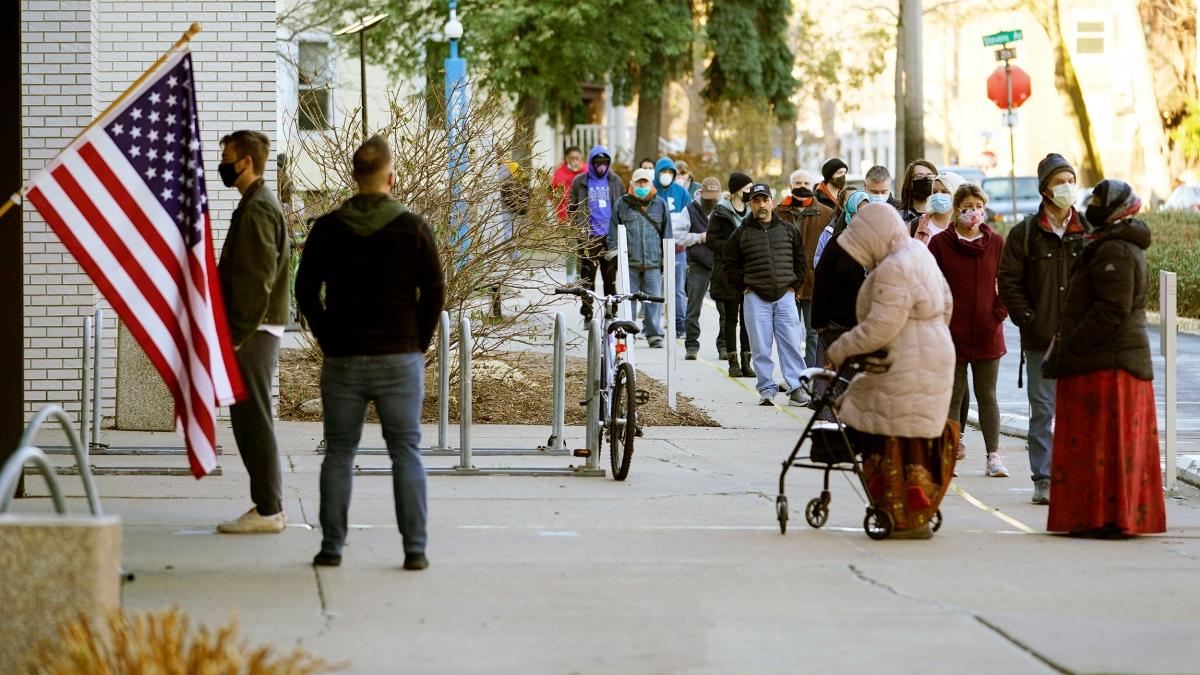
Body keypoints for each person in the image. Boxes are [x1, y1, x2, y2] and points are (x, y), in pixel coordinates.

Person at [296, 135, 444, 570]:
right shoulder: (414, 227)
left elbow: (305, 290)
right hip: (400, 357)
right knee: (406, 451)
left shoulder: (327, 227)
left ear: (354, 176)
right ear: (391, 178)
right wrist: (419, 341)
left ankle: (331, 547)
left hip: (344, 358)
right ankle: (414, 550)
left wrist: (327, 337)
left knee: (340, 452)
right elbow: (434, 290)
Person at [826, 203, 958, 540]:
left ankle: (898, 510)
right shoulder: (918, 251)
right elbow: (946, 302)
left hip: (905, 358)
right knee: (911, 432)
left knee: (869, 411)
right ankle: (918, 509)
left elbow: (880, 328)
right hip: (935, 351)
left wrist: (839, 350)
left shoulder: (893, 268)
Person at [1044, 179, 1165, 537]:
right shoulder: (1108, 243)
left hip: (1109, 365)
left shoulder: (1116, 250)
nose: (1092, 205)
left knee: (1106, 446)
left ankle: (1106, 517)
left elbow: (1111, 309)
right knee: (1103, 447)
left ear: (1116, 208)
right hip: (1103, 362)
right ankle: (1099, 516)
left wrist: (1072, 346)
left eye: (1099, 200)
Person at [998, 153, 1086, 505]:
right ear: (1045, 190)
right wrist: (1027, 318)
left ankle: (1075, 474)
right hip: (1040, 339)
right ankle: (1044, 478)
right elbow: (1008, 281)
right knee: (1043, 410)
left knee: (1079, 411)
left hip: (1081, 340)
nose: (1067, 187)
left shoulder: (1086, 231)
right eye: (1059, 181)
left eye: (1070, 180)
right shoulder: (1026, 234)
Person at [215, 130, 290, 534]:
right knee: (246, 420)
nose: (222, 164)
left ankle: (268, 509)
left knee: (253, 420)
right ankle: (266, 505)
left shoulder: (259, 208)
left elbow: (256, 278)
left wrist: (237, 334)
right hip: (253, 329)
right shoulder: (255, 203)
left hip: (253, 331)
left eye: (227, 156)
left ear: (246, 161)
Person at [928, 183, 1010, 478]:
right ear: (957, 210)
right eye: (968, 207)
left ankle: (993, 456)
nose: (974, 212)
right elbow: (931, 285)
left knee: (987, 395)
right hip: (952, 333)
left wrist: (998, 312)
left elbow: (1007, 282)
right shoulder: (940, 244)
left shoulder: (997, 243)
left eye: (979, 206)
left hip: (988, 332)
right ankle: (948, 455)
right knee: (954, 395)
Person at [723, 183, 809, 406]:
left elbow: (801, 260)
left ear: (772, 201)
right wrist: (744, 286)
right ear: (750, 204)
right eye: (756, 201)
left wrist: (795, 285)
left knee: (791, 342)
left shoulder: (789, 230)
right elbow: (729, 265)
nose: (761, 205)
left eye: (765, 200)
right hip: (755, 297)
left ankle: (797, 388)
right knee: (760, 346)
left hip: (785, 295)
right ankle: (766, 388)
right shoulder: (740, 233)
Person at [808, 190, 869, 421]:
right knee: (829, 373)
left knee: (853, 375)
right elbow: (822, 283)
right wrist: (819, 321)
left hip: (859, 324)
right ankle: (827, 419)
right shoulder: (837, 243)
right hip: (834, 322)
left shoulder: (875, 245)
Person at [608, 167, 671, 347]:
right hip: (630, 262)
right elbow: (613, 231)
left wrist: (666, 259)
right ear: (632, 184)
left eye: (645, 182)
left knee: (653, 301)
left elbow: (667, 234)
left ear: (650, 183)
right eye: (639, 182)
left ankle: (654, 335)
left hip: (653, 262)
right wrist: (614, 255)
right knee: (629, 300)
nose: (642, 185)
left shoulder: (661, 204)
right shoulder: (622, 203)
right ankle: (630, 333)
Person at [776, 169, 834, 360]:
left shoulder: (826, 214)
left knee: (813, 332)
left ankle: (809, 375)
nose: (802, 187)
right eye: (798, 184)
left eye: (806, 184)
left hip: (813, 282)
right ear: (791, 186)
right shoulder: (777, 213)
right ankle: (792, 376)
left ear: (813, 186)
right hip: (786, 282)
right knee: (788, 333)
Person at [706, 172, 755, 377]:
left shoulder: (751, 213)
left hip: (748, 272)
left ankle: (747, 361)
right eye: (747, 189)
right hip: (727, 272)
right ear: (737, 190)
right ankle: (732, 361)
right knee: (730, 318)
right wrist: (734, 248)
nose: (750, 193)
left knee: (748, 320)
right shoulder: (720, 212)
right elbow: (711, 241)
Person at [568, 145, 624, 324]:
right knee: (587, 278)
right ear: (591, 163)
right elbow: (572, 206)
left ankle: (611, 311)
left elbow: (622, 204)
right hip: (588, 238)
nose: (602, 166)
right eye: (598, 162)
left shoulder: (615, 181)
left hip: (610, 237)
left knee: (610, 278)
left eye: (605, 162)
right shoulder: (580, 181)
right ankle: (587, 313)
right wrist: (579, 226)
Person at [655, 156, 695, 335]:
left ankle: (680, 323)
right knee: (654, 287)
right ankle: (653, 325)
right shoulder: (651, 191)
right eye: (662, 172)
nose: (666, 175)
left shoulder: (682, 193)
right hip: (654, 249)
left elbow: (690, 218)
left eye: (669, 172)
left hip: (678, 247)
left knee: (678, 288)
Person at [683, 177, 722, 360]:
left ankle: (724, 346)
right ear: (702, 193)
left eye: (714, 196)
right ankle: (691, 345)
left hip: (721, 264)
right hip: (698, 264)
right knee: (693, 308)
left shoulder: (723, 210)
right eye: (708, 196)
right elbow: (677, 236)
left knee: (725, 309)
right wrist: (699, 237)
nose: (711, 200)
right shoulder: (689, 210)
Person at [551, 146, 587, 282]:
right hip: (566, 216)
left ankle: (579, 275)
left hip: (584, 216)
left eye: (577, 158)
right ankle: (569, 278)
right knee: (572, 247)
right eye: (572, 158)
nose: (575, 160)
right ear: (566, 159)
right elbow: (551, 194)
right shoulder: (559, 173)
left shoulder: (587, 171)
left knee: (582, 247)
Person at [911, 172, 964, 243]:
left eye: (944, 192)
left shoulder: (966, 227)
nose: (938, 195)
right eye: (935, 192)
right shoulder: (916, 225)